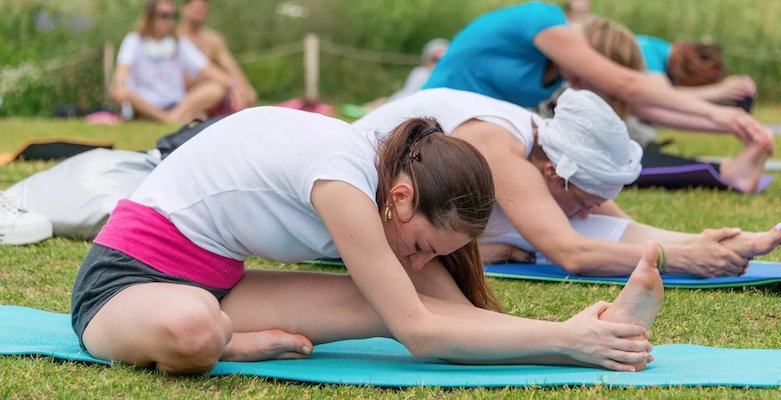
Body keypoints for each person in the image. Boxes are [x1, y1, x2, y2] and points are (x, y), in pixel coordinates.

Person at [71, 106, 659, 375]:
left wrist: (578, 338)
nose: (422, 259)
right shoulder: (342, 180)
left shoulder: (394, 182)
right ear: (402, 198)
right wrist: (566, 337)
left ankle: (600, 333)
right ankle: (229, 344)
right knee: (193, 330)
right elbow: (420, 335)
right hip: (123, 284)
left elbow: (448, 316)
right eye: (426, 244)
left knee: (384, 303)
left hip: (216, 283)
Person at [353, 88, 781, 276]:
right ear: (554, 174)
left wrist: (706, 242)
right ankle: (482, 250)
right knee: (550, 237)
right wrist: (677, 260)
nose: (589, 209)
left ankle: (483, 249)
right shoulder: (501, 149)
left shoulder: (549, 148)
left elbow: (615, 224)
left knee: (553, 231)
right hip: (355, 213)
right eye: (584, 199)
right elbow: (573, 254)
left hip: (405, 203)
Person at [422, 2, 774, 154]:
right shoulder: (542, 21)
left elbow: (639, 106)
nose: (587, 83)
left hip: (463, 129)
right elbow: (629, 86)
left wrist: (729, 126)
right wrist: (720, 110)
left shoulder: (558, 71)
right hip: (430, 120)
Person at [556, 18, 771, 193]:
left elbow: (653, 110)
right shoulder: (647, 52)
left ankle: (725, 172)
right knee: (612, 161)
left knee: (622, 152)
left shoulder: (640, 52)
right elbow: (657, 100)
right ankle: (726, 172)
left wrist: (735, 124)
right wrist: (719, 102)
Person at [108, 0, 235, 123]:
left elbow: (209, 70)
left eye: (173, 16)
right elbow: (121, 72)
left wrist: (235, 86)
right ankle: (169, 118)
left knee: (217, 88)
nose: (170, 21)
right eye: (164, 16)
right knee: (120, 90)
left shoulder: (180, 43)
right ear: (150, 17)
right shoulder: (134, 40)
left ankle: (169, 117)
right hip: (144, 103)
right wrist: (119, 85)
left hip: (176, 104)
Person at [177, 0, 257, 111]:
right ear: (184, 8)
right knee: (217, 87)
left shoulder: (212, 39)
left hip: (210, 92)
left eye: (203, 8)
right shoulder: (175, 38)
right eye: (195, 7)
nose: (199, 11)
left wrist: (244, 87)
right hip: (182, 94)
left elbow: (231, 67)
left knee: (240, 92)